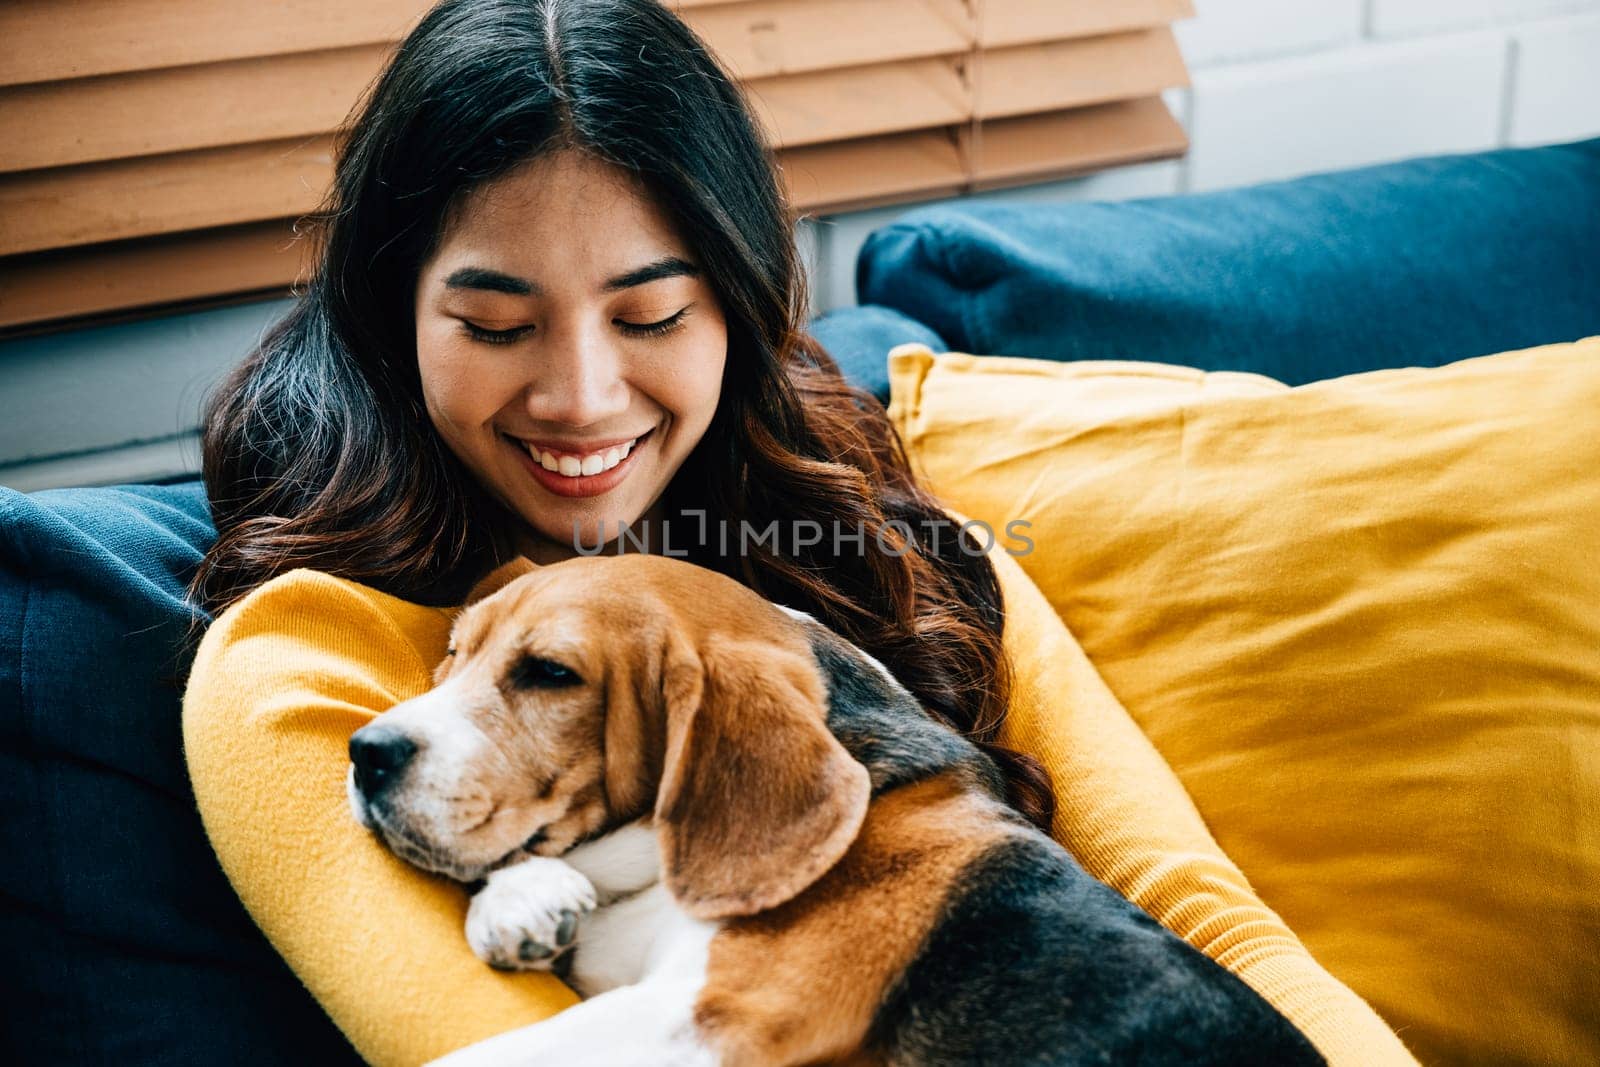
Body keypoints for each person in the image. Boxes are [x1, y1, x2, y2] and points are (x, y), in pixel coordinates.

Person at [180, 1, 1414, 1065]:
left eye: (653, 311)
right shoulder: (300, 657)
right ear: (390, 318)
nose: (581, 396)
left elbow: (1194, 917)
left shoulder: (879, 544)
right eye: (498, 325)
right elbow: (474, 1035)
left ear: (739, 300)